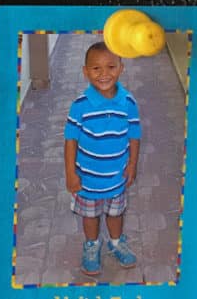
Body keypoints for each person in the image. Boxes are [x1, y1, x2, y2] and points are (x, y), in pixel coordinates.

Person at [64, 42, 142, 277]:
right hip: (87, 179)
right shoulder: (80, 106)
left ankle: (116, 242)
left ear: (121, 68)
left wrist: (132, 165)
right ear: (85, 71)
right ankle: (91, 246)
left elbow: (134, 135)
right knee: (90, 216)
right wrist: (70, 173)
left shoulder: (128, 103)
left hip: (117, 176)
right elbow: (70, 141)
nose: (104, 74)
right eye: (96, 69)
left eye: (110, 67)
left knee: (115, 213)